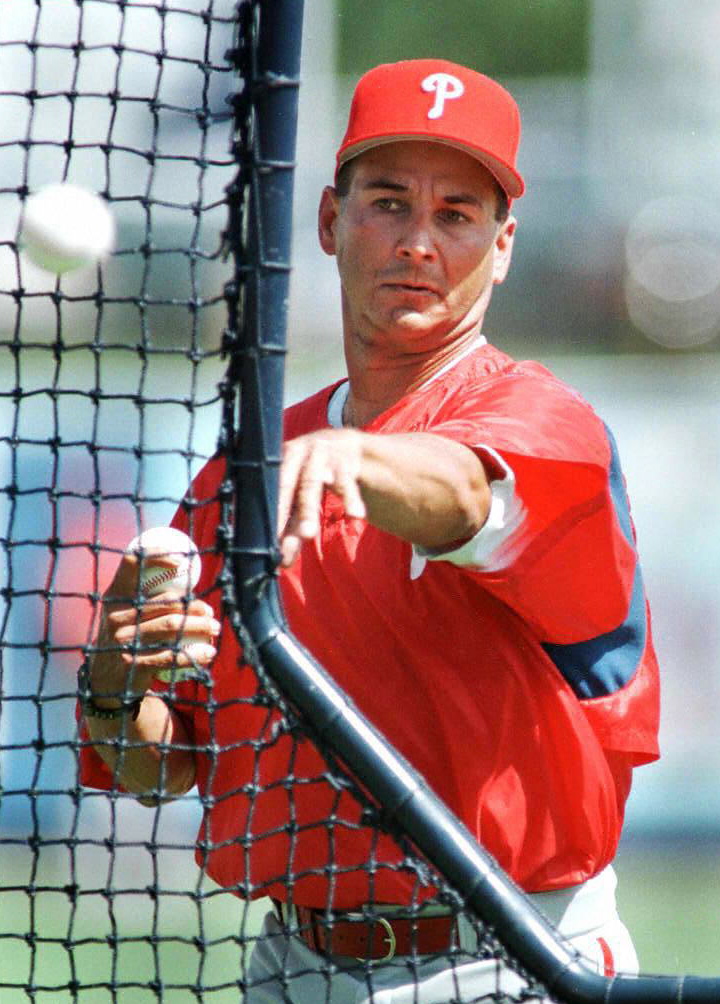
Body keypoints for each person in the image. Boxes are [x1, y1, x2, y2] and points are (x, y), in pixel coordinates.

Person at [78, 59, 660, 1003]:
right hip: (294, 967)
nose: (418, 242)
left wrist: (355, 459)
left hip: (511, 960)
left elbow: (469, 497)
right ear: (328, 220)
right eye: (388, 202)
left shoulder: (545, 425)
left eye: (457, 214)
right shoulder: (242, 475)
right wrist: (114, 688)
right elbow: (169, 762)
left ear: (502, 245)